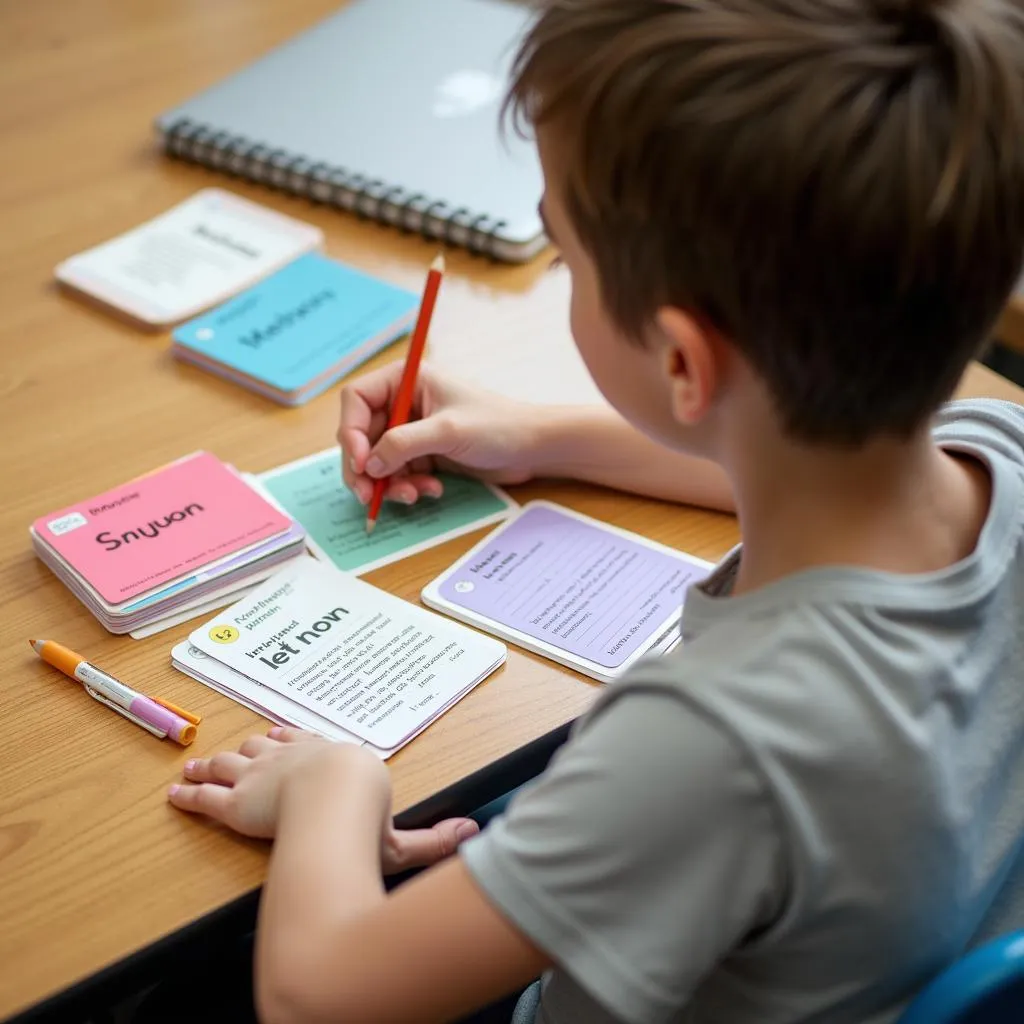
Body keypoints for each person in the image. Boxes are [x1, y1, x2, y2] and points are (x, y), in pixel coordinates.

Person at [167, 1, 1024, 1021]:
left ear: (678, 361)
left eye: (566, 259)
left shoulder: (714, 742)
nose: (565, 274)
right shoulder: (995, 445)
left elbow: (319, 998)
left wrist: (332, 786)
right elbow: (809, 465)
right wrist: (542, 436)